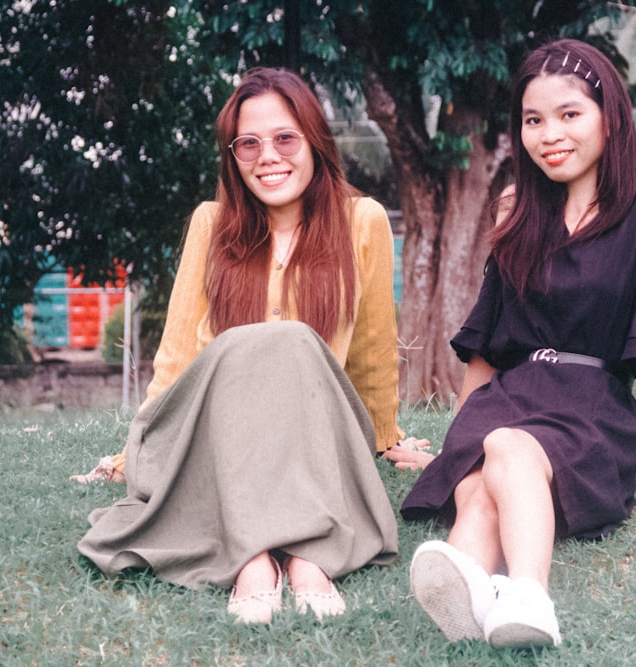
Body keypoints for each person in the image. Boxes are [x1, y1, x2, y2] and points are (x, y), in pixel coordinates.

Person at [387, 39, 636, 649]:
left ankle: (519, 594)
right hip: (507, 398)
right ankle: (477, 596)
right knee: (476, 481)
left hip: (590, 406)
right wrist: (451, 445)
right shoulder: (516, 207)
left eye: (570, 114)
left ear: (609, 117)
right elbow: (489, 344)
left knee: (507, 452)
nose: (549, 135)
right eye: (533, 120)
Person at [76, 67, 417, 625]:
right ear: (233, 157)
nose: (268, 157)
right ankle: (255, 561)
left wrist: (382, 440)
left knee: (292, 343)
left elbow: (372, 353)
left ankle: (306, 558)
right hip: (220, 437)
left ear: (315, 142)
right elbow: (180, 356)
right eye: (248, 144)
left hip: (312, 436)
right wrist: (129, 455)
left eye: (285, 138)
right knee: (256, 345)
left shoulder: (363, 221)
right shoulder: (211, 225)